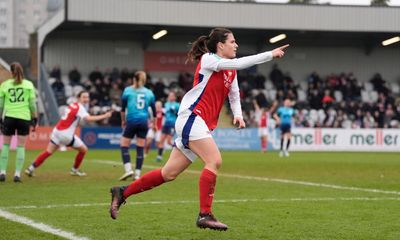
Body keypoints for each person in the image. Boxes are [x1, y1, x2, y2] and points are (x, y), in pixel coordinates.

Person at [109, 28, 289, 230]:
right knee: (214, 160)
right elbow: (239, 63)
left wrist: (237, 114)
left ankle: (122, 192)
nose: (236, 45)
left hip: (197, 122)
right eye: (233, 41)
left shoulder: (230, 69)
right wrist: (269, 54)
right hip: (192, 118)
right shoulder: (208, 59)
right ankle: (205, 214)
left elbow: (234, 95)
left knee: (168, 174)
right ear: (221, 45)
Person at [24, 91, 112, 177]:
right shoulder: (80, 107)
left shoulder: (73, 105)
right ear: (79, 98)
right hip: (65, 134)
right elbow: (88, 119)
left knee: (48, 151)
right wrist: (105, 116)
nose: (86, 99)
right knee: (84, 149)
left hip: (57, 131)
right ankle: (74, 170)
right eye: (84, 97)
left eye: (87, 97)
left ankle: (31, 168)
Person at [0, 62, 37, 183]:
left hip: (9, 117)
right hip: (24, 118)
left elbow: (0, 105)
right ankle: (17, 174)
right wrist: (35, 117)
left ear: (11, 72)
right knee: (20, 146)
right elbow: (32, 103)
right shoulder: (28, 84)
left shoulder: (5, 85)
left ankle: (2, 172)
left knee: (5, 145)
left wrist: (0, 117)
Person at [118, 71, 157, 181]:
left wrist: (123, 121)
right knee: (140, 147)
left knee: (124, 145)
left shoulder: (128, 90)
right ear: (144, 80)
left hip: (132, 120)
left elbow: (122, 109)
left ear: (133, 79)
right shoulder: (149, 93)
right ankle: (137, 174)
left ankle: (128, 169)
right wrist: (154, 124)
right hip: (144, 122)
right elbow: (154, 112)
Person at [156, 92, 180, 162]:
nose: (170, 97)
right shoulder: (166, 104)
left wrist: (175, 112)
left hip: (172, 124)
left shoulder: (177, 105)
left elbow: (179, 114)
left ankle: (180, 150)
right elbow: (164, 113)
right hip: (166, 124)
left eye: (172, 96)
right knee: (161, 140)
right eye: (169, 95)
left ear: (174, 97)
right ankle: (159, 157)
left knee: (169, 141)